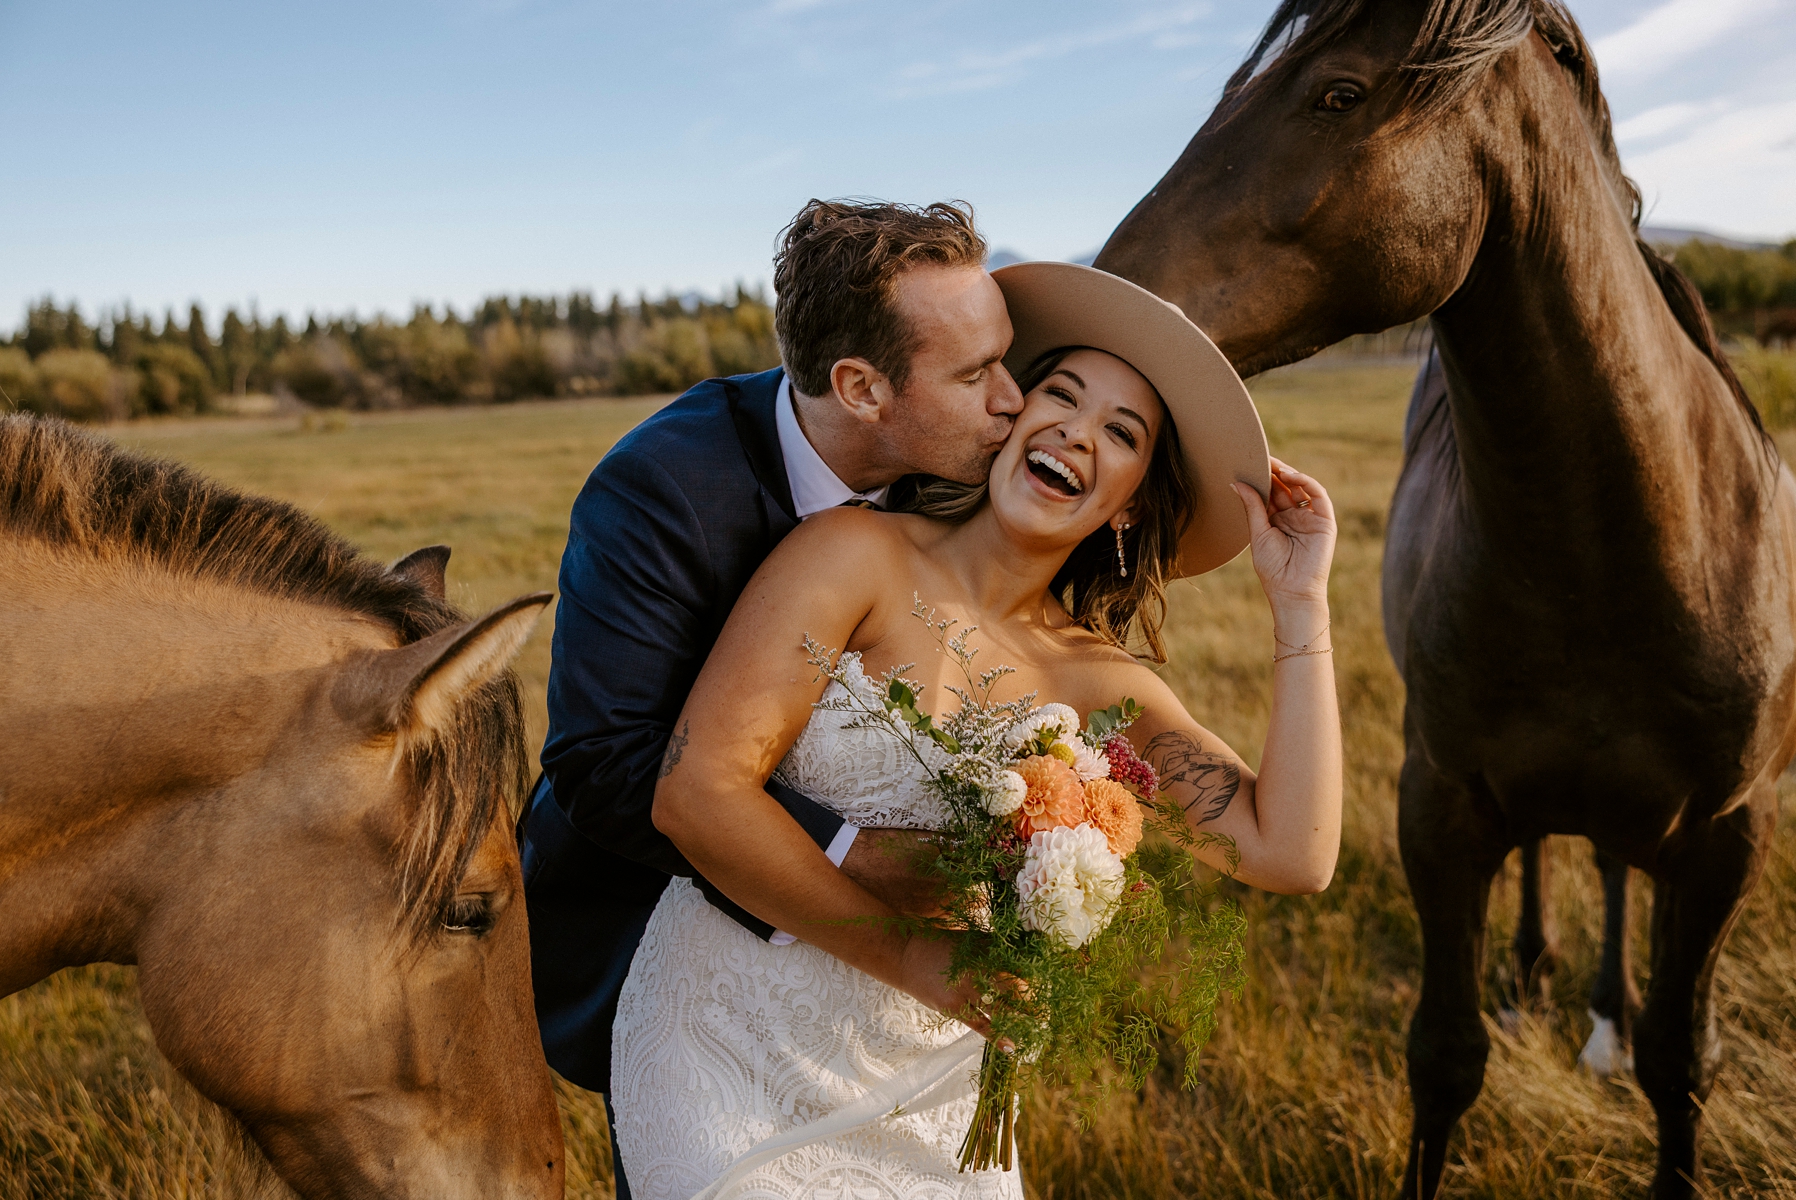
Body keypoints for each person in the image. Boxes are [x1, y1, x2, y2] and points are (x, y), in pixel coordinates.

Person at [616, 261, 1343, 1198]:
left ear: (1128, 501)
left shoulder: (1102, 689)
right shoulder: (853, 556)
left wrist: (1300, 605)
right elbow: (696, 794)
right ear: (1010, 418)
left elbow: (1292, 852)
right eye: (1062, 396)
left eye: (1120, 433)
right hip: (724, 1044)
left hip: (928, 1100)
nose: (1077, 432)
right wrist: (922, 960)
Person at [517, 198, 1025, 1198]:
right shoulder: (663, 488)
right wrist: (859, 857)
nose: (1014, 399)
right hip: (669, 931)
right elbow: (602, 761)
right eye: (976, 375)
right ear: (860, 387)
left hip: (903, 1004)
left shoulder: (963, 472)